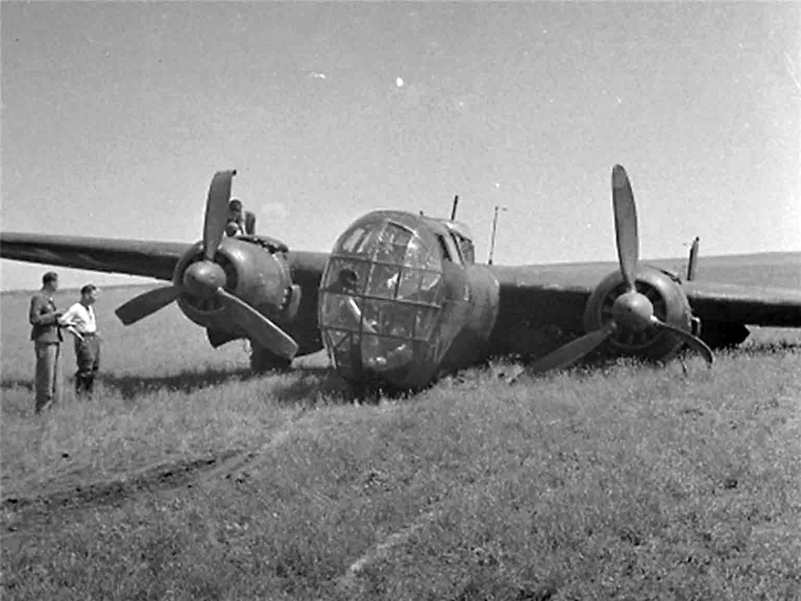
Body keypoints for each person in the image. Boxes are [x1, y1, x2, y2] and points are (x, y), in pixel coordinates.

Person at [29, 271, 63, 413]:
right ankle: (42, 409)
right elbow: (34, 319)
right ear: (50, 282)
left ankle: (51, 408)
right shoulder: (39, 298)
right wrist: (54, 314)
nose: (58, 285)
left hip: (54, 340)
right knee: (45, 376)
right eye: (56, 282)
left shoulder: (49, 299)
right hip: (44, 340)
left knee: (55, 377)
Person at [59, 284, 101, 397]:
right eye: (94, 294)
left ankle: (89, 394)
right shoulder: (76, 308)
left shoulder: (89, 308)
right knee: (85, 367)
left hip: (93, 338)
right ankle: (80, 394)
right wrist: (75, 333)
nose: (96, 298)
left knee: (94, 367)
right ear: (86, 295)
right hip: (84, 339)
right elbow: (62, 321)